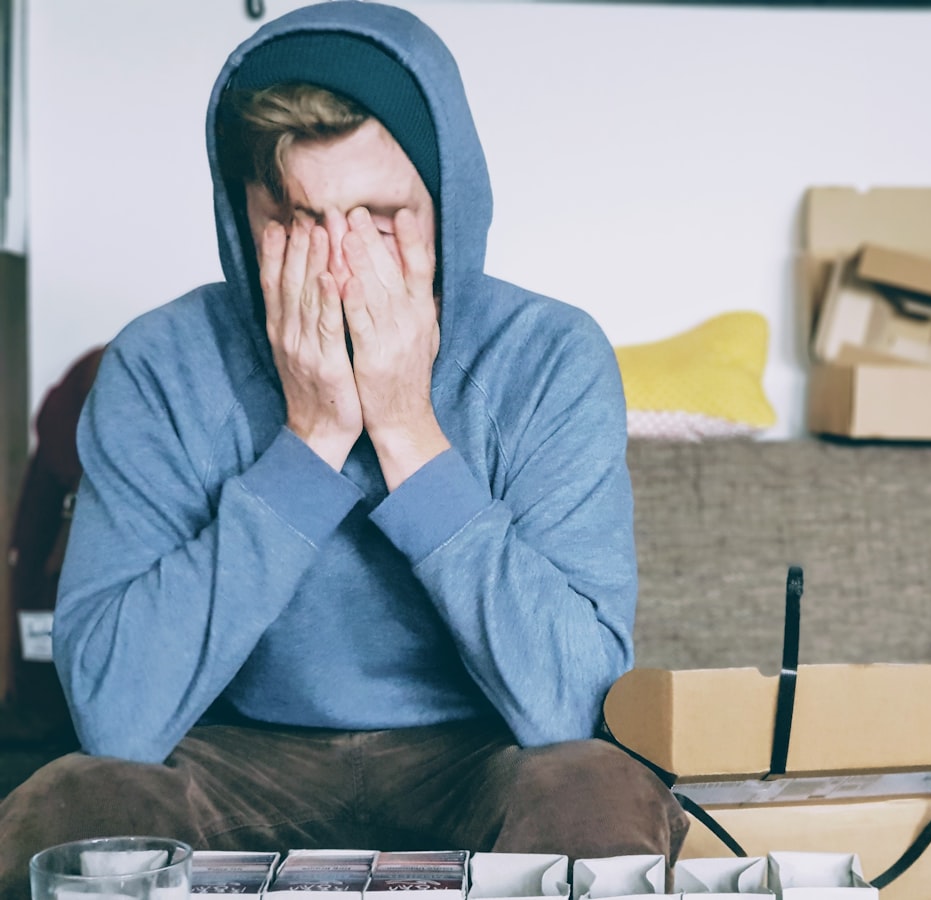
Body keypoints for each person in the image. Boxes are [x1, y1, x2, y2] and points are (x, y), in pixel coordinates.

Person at [0, 2, 687, 894]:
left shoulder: (549, 356)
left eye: (381, 215)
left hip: (482, 753)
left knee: (594, 789)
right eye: (293, 217)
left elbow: (572, 708)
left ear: (449, 200)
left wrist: (407, 430)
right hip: (234, 754)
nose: (336, 267)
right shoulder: (159, 365)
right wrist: (313, 437)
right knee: (73, 807)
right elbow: (118, 719)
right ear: (240, 215)